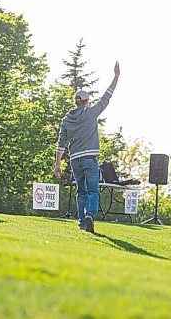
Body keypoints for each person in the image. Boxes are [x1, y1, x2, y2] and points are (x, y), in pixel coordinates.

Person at [54, 62, 120, 233]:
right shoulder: (91, 112)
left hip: (75, 160)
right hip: (90, 159)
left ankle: (82, 222)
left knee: (81, 192)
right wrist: (116, 76)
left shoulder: (66, 120)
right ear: (86, 101)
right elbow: (107, 96)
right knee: (92, 191)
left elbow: (61, 144)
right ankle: (90, 214)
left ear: (75, 102)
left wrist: (57, 165)